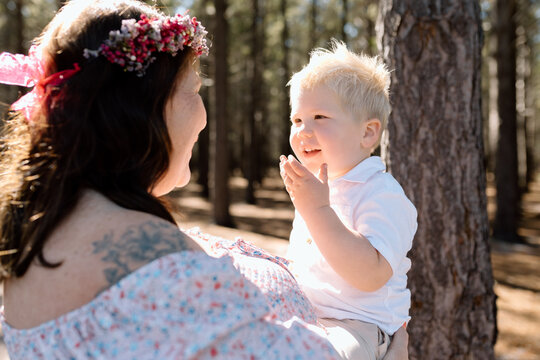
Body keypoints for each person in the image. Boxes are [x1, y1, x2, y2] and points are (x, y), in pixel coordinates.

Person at [0, 1, 408, 358]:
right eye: (194, 90)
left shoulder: (47, 228)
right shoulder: (151, 262)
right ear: (146, 108)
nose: (205, 114)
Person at [280, 41, 417, 360]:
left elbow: (370, 274)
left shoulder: (381, 193)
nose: (303, 131)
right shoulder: (317, 189)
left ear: (368, 134)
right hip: (309, 318)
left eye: (319, 117)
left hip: (360, 328)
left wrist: (317, 210)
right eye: (297, 120)